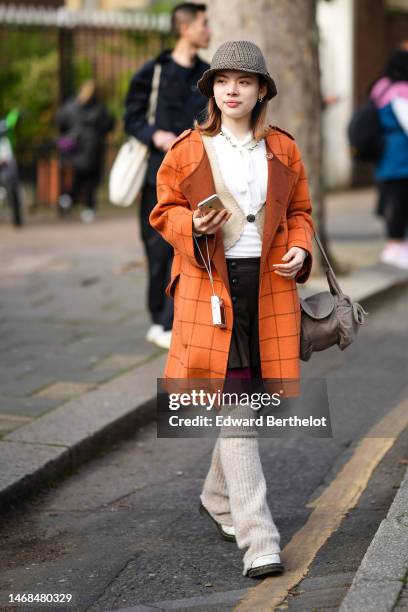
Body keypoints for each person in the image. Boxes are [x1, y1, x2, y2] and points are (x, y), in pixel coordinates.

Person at [150, 41, 314, 578]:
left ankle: (218, 498)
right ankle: (259, 537)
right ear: (212, 90)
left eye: (244, 81)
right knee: (236, 408)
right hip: (209, 290)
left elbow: (299, 213)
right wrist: (189, 226)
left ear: (262, 89)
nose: (232, 90)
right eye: (223, 81)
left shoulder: (284, 150)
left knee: (247, 401)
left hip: (268, 289)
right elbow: (164, 210)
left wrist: (301, 248)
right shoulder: (188, 148)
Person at [124, 2, 210, 350]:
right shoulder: (153, 71)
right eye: (204, 24)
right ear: (185, 28)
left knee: (193, 249)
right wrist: (155, 135)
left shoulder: (208, 75)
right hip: (155, 178)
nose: (209, 31)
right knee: (158, 250)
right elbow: (131, 118)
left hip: (198, 178)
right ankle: (160, 321)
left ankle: (184, 318)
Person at [370, 47, 408, 269]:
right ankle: (395, 246)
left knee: (391, 197)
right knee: (400, 200)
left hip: (386, 151)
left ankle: (394, 245)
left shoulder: (380, 87)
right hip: (401, 154)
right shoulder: (401, 90)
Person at [56, 80, 115, 223]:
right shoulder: (100, 108)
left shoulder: (71, 106)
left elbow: (59, 121)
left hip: (76, 148)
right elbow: (109, 124)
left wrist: (69, 133)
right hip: (93, 148)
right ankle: (87, 207)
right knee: (90, 181)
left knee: (79, 177)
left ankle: (68, 197)